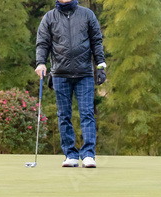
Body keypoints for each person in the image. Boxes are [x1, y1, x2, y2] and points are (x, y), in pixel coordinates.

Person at [36, 0, 106, 168]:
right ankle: (70, 155)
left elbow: (96, 41)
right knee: (64, 115)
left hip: (85, 73)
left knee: (87, 113)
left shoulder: (87, 14)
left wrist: (101, 65)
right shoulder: (49, 18)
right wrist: (40, 62)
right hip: (60, 73)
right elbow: (43, 43)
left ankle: (88, 154)